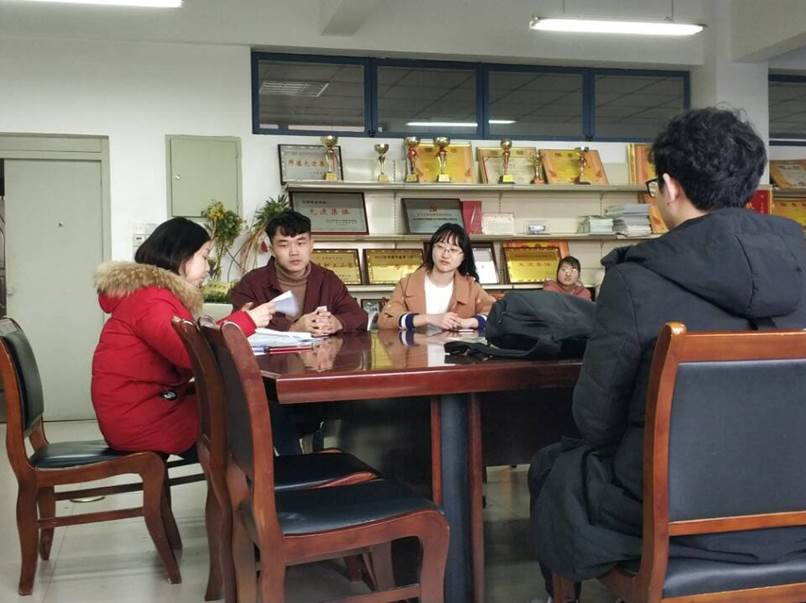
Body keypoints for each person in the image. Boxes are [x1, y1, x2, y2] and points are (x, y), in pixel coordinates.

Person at [529, 107, 806, 600]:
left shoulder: (634, 281)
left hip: (674, 518)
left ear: (670, 188)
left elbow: (595, 422)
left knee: (554, 466)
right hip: (795, 513)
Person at [91, 217, 276, 457]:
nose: (208, 267)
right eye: (204, 256)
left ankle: (253, 479)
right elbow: (190, 353)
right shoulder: (151, 300)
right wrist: (246, 322)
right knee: (244, 419)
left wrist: (239, 320)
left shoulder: (151, 295)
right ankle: (263, 480)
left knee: (239, 407)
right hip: (141, 420)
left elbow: (191, 340)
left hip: (145, 407)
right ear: (180, 256)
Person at [229, 210, 367, 335]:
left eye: (300, 243)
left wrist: (337, 323)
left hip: (320, 354)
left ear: (311, 245)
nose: (294, 252)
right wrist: (293, 328)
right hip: (271, 355)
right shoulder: (252, 283)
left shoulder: (328, 280)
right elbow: (237, 325)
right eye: (284, 245)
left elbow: (359, 317)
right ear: (272, 250)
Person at [378, 222, 495, 330]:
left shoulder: (471, 287)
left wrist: (470, 322)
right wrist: (428, 318)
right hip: (416, 346)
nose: (445, 255)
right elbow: (385, 320)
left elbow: (497, 315)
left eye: (453, 250)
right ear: (432, 249)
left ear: (463, 257)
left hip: (455, 346)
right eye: (440, 247)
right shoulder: (407, 284)